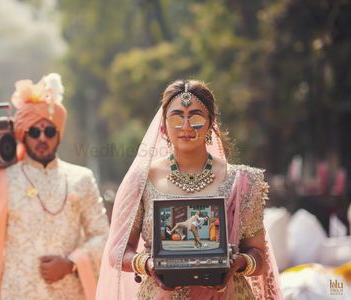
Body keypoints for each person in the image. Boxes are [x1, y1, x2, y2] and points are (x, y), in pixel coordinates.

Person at [96, 80, 281, 299]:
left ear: (211, 123)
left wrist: (237, 262)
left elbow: (259, 256)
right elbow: (118, 253)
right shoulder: (142, 181)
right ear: (163, 126)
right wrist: (148, 264)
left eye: (195, 117)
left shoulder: (242, 181)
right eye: (176, 117)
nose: (185, 126)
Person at [0, 73, 109, 300]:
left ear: (59, 135)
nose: (42, 138)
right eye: (35, 131)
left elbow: (102, 235)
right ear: (23, 134)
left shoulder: (81, 178)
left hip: (69, 294)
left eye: (50, 131)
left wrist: (70, 263)